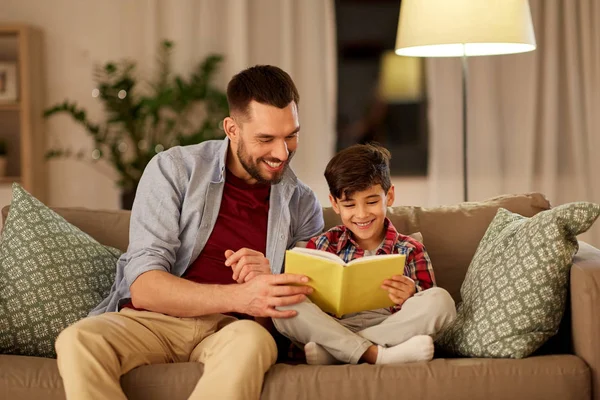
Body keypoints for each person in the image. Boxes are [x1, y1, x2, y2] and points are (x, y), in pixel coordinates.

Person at [54, 65, 324, 400]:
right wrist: (243, 296)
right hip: (153, 322)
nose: (282, 153)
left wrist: (272, 278)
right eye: (266, 139)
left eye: (291, 135)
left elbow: (309, 303)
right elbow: (145, 287)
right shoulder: (174, 170)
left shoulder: (302, 203)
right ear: (232, 129)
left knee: (253, 342)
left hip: (231, 330)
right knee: (78, 339)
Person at [274, 143, 456, 365]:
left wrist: (410, 295)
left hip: (390, 327)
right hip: (333, 326)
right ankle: (377, 355)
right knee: (281, 303)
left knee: (441, 301)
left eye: (371, 202)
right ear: (335, 203)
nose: (361, 214)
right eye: (349, 205)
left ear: (389, 196)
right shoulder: (322, 245)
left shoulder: (411, 249)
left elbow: (428, 307)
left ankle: (338, 352)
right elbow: (297, 297)